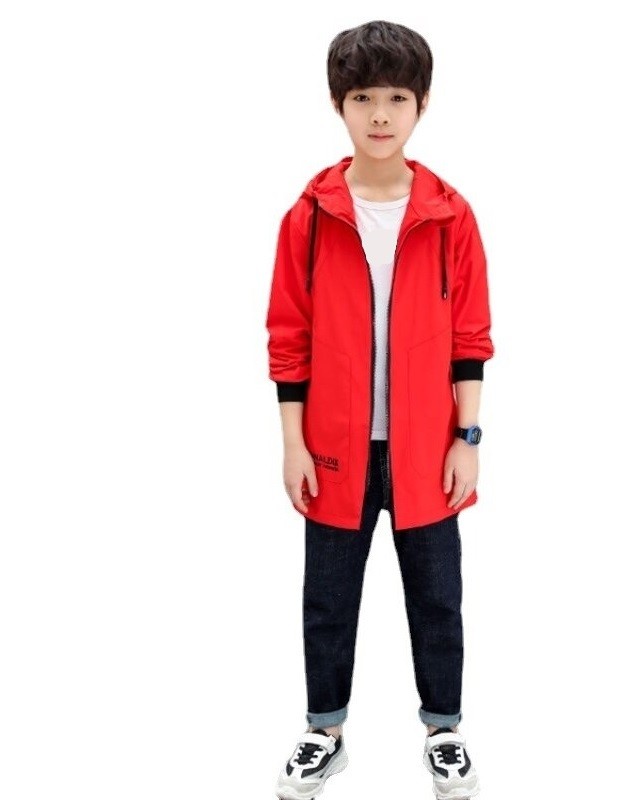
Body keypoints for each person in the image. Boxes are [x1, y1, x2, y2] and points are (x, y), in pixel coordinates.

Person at [265, 19, 494, 800]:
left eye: (397, 97)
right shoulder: (309, 217)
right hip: (334, 447)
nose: (380, 115)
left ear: (422, 103)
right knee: (328, 598)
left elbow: (471, 336)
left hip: (428, 448)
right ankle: (324, 732)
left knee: (437, 596)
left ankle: (444, 731)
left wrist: (468, 437)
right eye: (363, 97)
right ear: (339, 104)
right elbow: (288, 339)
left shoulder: (451, 215)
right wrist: (293, 443)